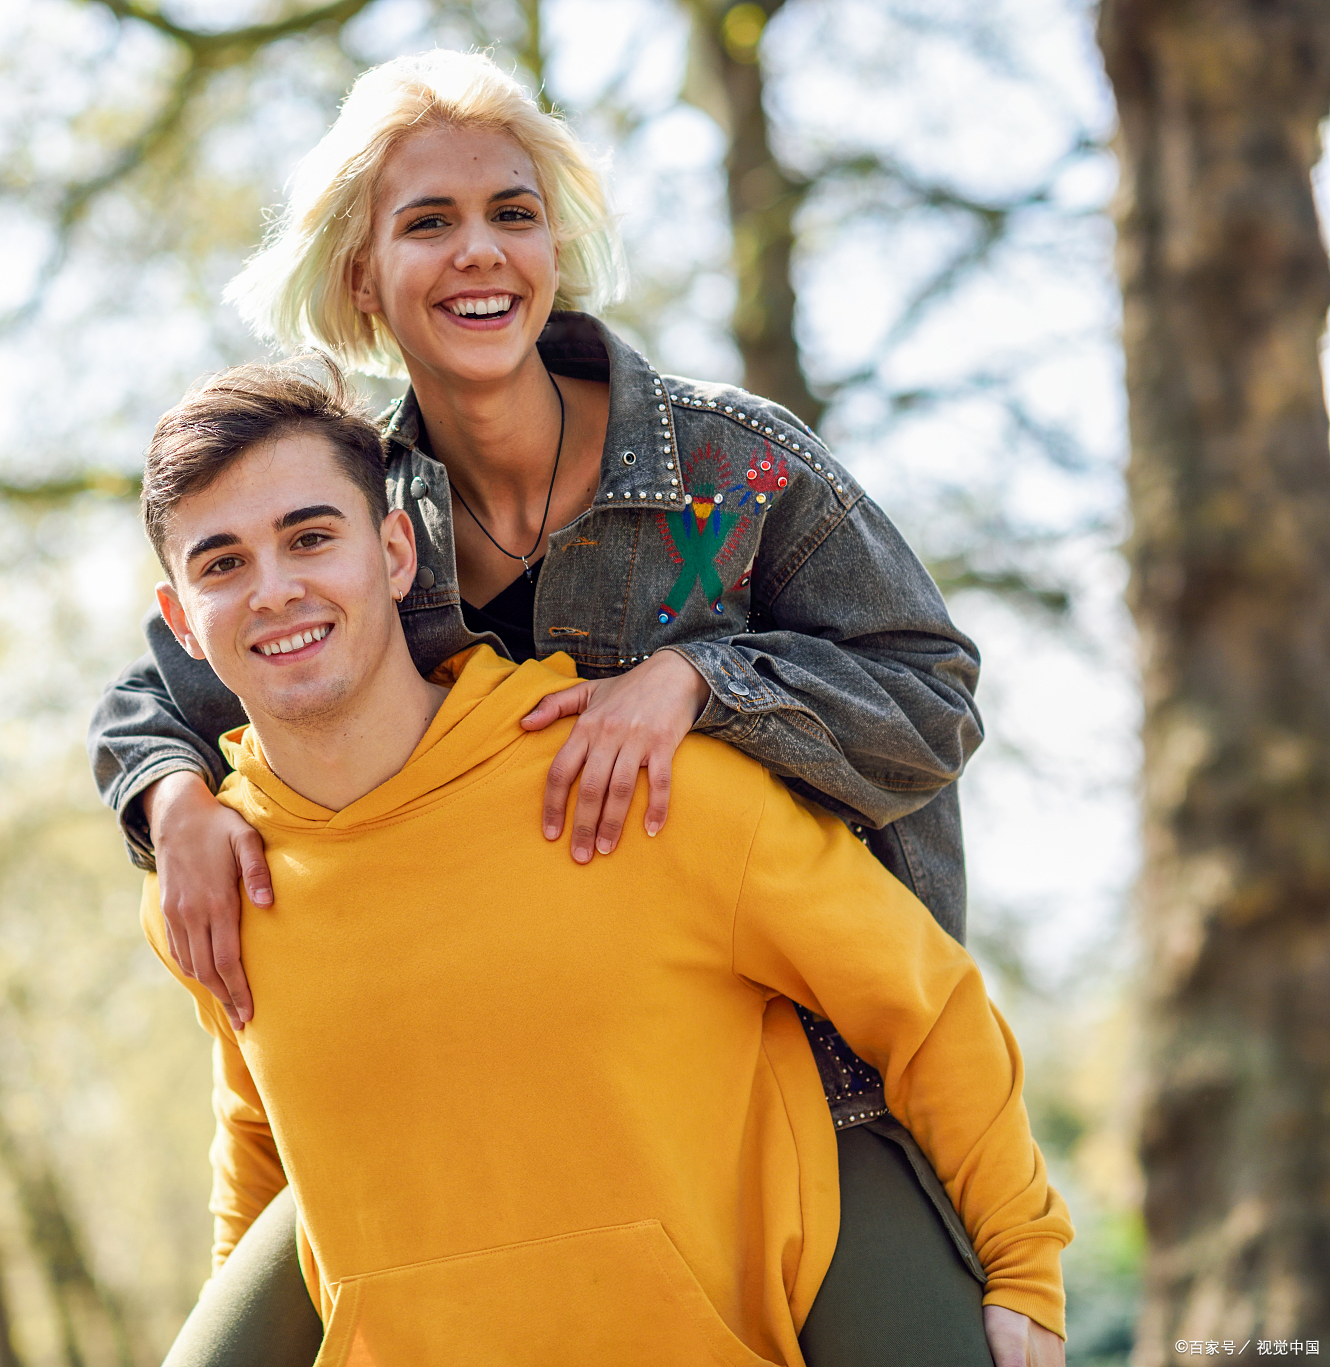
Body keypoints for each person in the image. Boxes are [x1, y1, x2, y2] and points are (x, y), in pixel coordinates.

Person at [87, 49, 990, 1366]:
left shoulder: (728, 472)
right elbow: (159, 687)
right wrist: (170, 798)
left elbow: (932, 695)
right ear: (361, 274)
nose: (482, 254)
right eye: (429, 222)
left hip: (784, 1069)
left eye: (513, 212)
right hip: (456, 1093)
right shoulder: (349, 511)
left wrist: (697, 681)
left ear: (553, 243)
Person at [131, 361, 1069, 1367]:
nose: (275, 589)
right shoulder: (216, 876)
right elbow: (261, 1128)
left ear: (396, 551)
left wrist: (1024, 1263)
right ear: (180, 621)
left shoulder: (639, 788)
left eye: (310, 537)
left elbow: (921, 1001)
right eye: (221, 563)